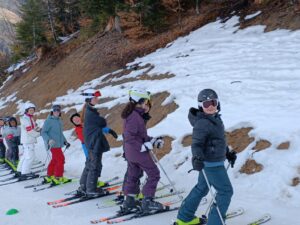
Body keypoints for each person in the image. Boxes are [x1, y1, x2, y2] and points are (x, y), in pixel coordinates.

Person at [175, 89, 237, 225]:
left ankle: (184, 217)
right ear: (200, 106)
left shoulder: (215, 118)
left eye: (213, 102)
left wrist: (227, 153)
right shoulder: (203, 123)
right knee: (225, 192)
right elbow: (196, 144)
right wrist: (197, 158)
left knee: (201, 188)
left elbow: (217, 140)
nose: (210, 106)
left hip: (211, 162)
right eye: (206, 104)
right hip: (212, 164)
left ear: (218, 103)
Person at [121, 89, 165, 213]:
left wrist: (153, 141)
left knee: (133, 175)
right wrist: (142, 147)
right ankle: (148, 201)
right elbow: (129, 137)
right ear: (139, 101)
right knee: (154, 173)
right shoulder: (134, 116)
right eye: (145, 101)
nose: (147, 104)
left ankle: (129, 201)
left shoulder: (134, 114)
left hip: (131, 152)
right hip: (137, 152)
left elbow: (139, 136)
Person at [78, 89, 118, 197]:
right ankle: (91, 189)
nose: (97, 99)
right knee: (94, 165)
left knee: (91, 163)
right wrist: (105, 126)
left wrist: (108, 130)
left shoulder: (89, 111)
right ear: (88, 99)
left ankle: (84, 185)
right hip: (93, 142)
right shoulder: (90, 113)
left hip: (92, 141)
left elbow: (98, 125)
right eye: (95, 97)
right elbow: (101, 122)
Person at [41, 104, 71, 185]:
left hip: (58, 144)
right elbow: (43, 132)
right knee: (61, 159)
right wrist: (49, 140)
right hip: (52, 144)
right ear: (52, 111)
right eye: (55, 110)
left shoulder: (59, 121)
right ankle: (58, 177)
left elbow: (60, 134)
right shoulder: (48, 121)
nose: (57, 112)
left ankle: (50, 175)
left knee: (55, 160)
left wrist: (65, 142)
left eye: (58, 110)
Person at [17, 102, 41, 179]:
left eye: (33, 110)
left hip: (27, 140)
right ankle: (25, 173)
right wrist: (39, 134)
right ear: (26, 110)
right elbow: (30, 131)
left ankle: (20, 170)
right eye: (30, 110)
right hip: (28, 141)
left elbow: (33, 128)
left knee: (25, 156)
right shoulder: (26, 119)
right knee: (30, 157)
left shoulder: (30, 118)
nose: (32, 111)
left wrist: (40, 129)